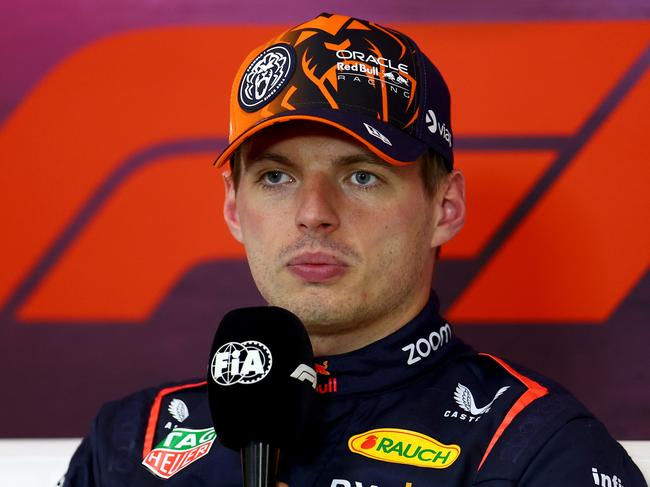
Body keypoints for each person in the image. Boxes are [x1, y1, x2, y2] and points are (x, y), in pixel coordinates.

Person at [61, 12, 646, 486]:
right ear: (234, 207)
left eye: (361, 175)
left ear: (445, 207)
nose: (313, 213)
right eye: (276, 177)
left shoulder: (535, 449)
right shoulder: (128, 445)